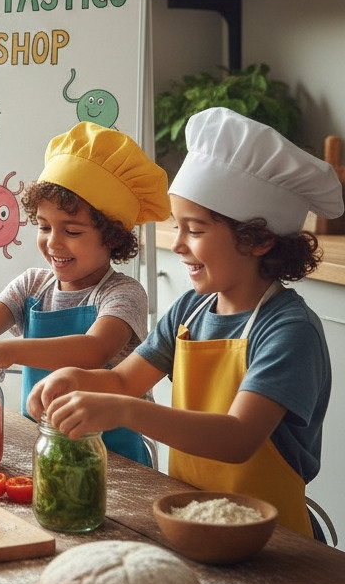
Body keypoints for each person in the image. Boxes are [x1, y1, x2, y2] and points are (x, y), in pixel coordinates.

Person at [28, 107, 343, 538]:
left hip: (274, 541)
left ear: (258, 240)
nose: (176, 244)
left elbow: (238, 437)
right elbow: (123, 381)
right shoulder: (189, 312)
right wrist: (72, 379)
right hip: (189, 520)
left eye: (194, 230)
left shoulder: (288, 330)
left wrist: (121, 411)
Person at [0, 121, 170, 465]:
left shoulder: (123, 293)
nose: (53, 242)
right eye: (43, 226)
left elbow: (93, 350)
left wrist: (6, 352)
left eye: (71, 230)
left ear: (113, 237)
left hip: (114, 457)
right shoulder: (33, 285)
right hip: (45, 447)